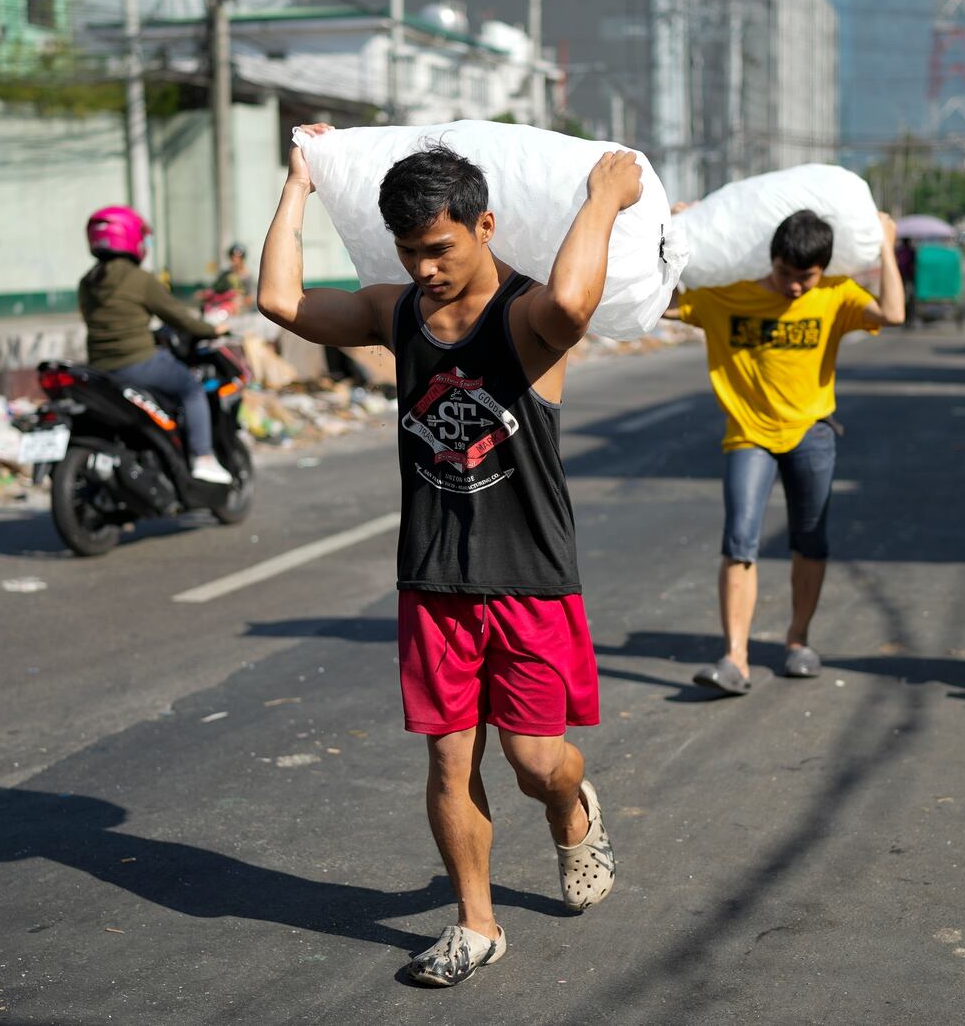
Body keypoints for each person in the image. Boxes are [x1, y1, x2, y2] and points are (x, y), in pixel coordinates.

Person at [257, 126, 639, 987]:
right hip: (433, 578)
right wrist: (299, 185)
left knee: (537, 760)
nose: (425, 267)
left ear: (485, 226)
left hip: (530, 577)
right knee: (446, 757)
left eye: (439, 247)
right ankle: (476, 923)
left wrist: (605, 200)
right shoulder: (398, 314)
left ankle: (574, 808)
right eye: (408, 250)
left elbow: (578, 306)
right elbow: (281, 302)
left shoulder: (527, 318)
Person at [675, 209, 904, 695]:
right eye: (785, 274)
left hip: (811, 432)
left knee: (810, 539)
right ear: (771, 259)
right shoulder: (728, 296)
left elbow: (895, 313)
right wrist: (675, 234)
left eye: (806, 277)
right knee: (739, 539)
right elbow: (662, 302)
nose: (796, 287)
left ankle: (798, 641)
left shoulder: (836, 295)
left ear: (822, 270)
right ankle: (735, 657)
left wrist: (885, 243)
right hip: (749, 434)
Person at [79, 205, 234, 484]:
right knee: (191, 388)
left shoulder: (87, 282)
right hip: (137, 364)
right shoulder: (139, 279)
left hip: (99, 369)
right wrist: (212, 329)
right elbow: (178, 318)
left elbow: (107, 322)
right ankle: (203, 457)